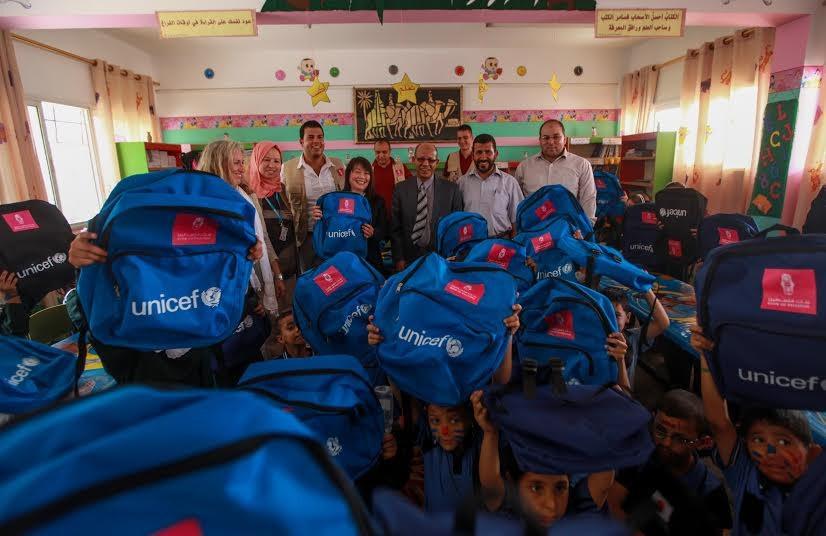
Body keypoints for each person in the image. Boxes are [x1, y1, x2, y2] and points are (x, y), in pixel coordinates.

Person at [691, 326, 822, 535]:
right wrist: (706, 355)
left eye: (784, 442)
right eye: (758, 440)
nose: (770, 452)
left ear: (812, 453)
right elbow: (718, 422)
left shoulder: (817, 498)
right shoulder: (746, 472)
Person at [471, 390, 615, 529]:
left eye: (560, 487)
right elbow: (490, 482)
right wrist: (490, 433)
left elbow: (602, 482)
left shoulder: (573, 512)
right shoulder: (509, 512)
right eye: (536, 488)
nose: (551, 505)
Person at [607, 389, 733, 533]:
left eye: (680, 439)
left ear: (702, 442)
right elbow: (613, 503)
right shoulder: (639, 459)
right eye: (660, 431)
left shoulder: (710, 491)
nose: (666, 443)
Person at [199, 140, 280, 315]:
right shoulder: (203, 201)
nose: (242, 169)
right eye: (236, 163)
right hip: (224, 286)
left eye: (243, 163)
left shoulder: (245, 194)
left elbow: (262, 237)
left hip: (253, 278)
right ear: (219, 163)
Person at [281, 120, 345, 273]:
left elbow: (346, 196)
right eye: (310, 137)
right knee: (311, 278)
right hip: (306, 237)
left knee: (338, 276)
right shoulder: (287, 168)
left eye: (320, 137)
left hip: (336, 234)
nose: (316, 141)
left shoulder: (338, 165)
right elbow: (283, 197)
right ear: (301, 142)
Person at [391, 142, 463, 272]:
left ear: (437, 162)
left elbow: (456, 228)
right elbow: (396, 228)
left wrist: (452, 258)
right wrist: (399, 258)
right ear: (414, 160)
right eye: (421, 159)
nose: (425, 164)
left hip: (441, 260)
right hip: (408, 260)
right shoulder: (400, 189)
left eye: (431, 160)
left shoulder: (452, 190)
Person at [312, 156, 388, 273]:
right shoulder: (335, 199)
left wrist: (373, 233)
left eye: (366, 173)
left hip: (369, 261)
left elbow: (384, 231)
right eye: (357, 172)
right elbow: (325, 229)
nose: (362, 177)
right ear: (348, 174)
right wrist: (318, 216)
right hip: (339, 261)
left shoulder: (377, 201)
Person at [514, 119, 597, 222]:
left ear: (565, 139)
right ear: (540, 140)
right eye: (546, 138)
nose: (551, 142)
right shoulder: (524, 167)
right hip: (533, 228)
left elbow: (588, 200)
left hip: (569, 229)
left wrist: (586, 228)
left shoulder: (582, 165)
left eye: (556, 137)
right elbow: (516, 202)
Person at [602, 287, 670, 390]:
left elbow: (663, 323)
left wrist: (646, 289)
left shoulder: (632, 338)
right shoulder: (590, 338)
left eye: (616, 315)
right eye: (604, 314)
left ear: (628, 317)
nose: (609, 320)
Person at [248, 141, 297, 284]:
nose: (272, 165)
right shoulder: (249, 193)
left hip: (290, 263)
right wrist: (277, 274)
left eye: (276, 161)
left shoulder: (281, 188)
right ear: (256, 160)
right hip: (264, 265)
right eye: (266, 159)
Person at [458, 134, 524, 238]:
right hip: (470, 243)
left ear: (496, 154)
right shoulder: (461, 183)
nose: (483, 157)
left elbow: (516, 220)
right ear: (473, 155)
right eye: (479, 152)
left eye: (488, 152)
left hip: (501, 242)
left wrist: (514, 244)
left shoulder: (510, 182)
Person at [373, 138, 411, 214]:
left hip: (398, 213)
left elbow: (411, 188)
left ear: (390, 151)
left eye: (384, 152)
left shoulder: (400, 168)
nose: (381, 155)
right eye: (378, 152)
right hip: (376, 215)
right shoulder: (370, 170)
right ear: (374, 152)